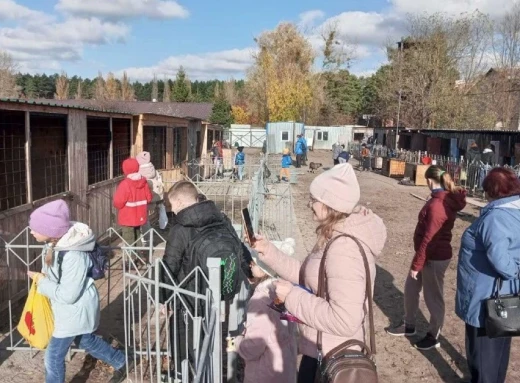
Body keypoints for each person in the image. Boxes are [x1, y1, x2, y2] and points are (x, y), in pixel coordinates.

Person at [253, 163, 387, 383]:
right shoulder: (333, 235)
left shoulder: (344, 250)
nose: (310, 204)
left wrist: (292, 297)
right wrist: (269, 252)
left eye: (314, 200)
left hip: (333, 358)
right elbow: (310, 277)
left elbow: (344, 320)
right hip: (319, 349)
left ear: (330, 204)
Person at [26, 200, 130, 383]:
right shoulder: (54, 245)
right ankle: (121, 361)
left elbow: (69, 294)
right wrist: (44, 276)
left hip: (74, 311)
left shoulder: (74, 255)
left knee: (53, 357)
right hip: (67, 310)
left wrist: (41, 281)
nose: (31, 231)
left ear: (50, 231)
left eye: (35, 228)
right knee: (85, 340)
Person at [160, 181, 254, 377]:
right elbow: (238, 248)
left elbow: (170, 265)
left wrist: (163, 298)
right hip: (221, 293)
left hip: (188, 296)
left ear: (179, 202)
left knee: (183, 338)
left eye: (172, 205)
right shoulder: (221, 218)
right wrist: (250, 271)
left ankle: (183, 373)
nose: (173, 210)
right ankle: (216, 369)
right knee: (214, 334)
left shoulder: (180, 228)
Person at [386, 166, 467, 350]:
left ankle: (433, 334)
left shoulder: (438, 205)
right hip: (426, 255)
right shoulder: (438, 199)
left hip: (435, 257)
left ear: (430, 180)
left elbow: (429, 239)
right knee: (411, 288)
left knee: (433, 297)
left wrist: (417, 264)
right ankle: (409, 325)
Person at [455, 168, 520, 383]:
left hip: (486, 300)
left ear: (491, 191)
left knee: (483, 357)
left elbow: (502, 262)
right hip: (503, 298)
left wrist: (515, 270)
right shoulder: (514, 211)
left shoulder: (496, 217)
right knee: (498, 354)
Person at [234, 241, 298, 383]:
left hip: (264, 374)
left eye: (254, 262)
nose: (250, 264)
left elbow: (254, 346)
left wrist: (236, 342)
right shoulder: (286, 293)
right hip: (285, 369)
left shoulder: (260, 302)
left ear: (265, 269)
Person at [113, 158, 152, 263]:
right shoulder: (144, 182)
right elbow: (149, 198)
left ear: (125, 170)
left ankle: (130, 260)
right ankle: (140, 256)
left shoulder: (125, 184)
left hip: (127, 217)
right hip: (140, 215)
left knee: (128, 238)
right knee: (138, 235)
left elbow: (118, 202)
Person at [136, 151, 168, 240]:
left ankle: (146, 236)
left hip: (146, 198)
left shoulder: (138, 171)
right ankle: (163, 226)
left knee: (145, 216)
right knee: (162, 209)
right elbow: (160, 180)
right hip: (157, 195)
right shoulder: (153, 169)